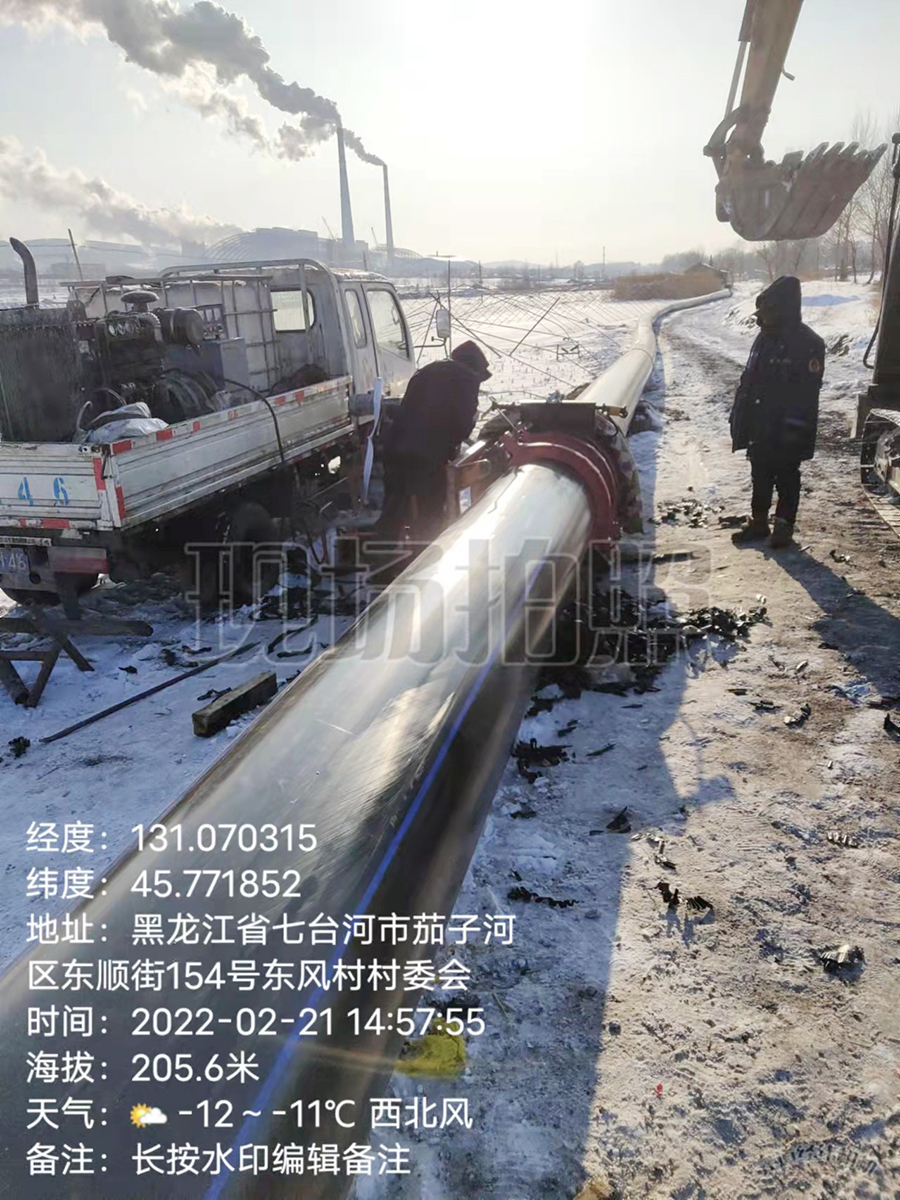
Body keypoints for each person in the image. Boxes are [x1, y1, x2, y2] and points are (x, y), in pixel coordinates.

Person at [729, 275, 825, 549]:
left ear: (782, 309)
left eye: (765, 312)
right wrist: (741, 414)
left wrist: (790, 424)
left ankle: (783, 526)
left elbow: (806, 392)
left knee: (786, 473)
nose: (760, 319)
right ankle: (759, 522)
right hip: (759, 421)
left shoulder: (809, 343)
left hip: (788, 425)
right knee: (759, 471)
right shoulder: (763, 338)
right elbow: (749, 378)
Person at [378, 340, 492, 541]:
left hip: (395, 449)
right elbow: (462, 427)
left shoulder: (425, 371)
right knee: (430, 515)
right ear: (475, 367)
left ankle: (380, 550)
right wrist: (472, 420)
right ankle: (426, 552)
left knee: (393, 510)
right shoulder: (467, 379)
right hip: (428, 457)